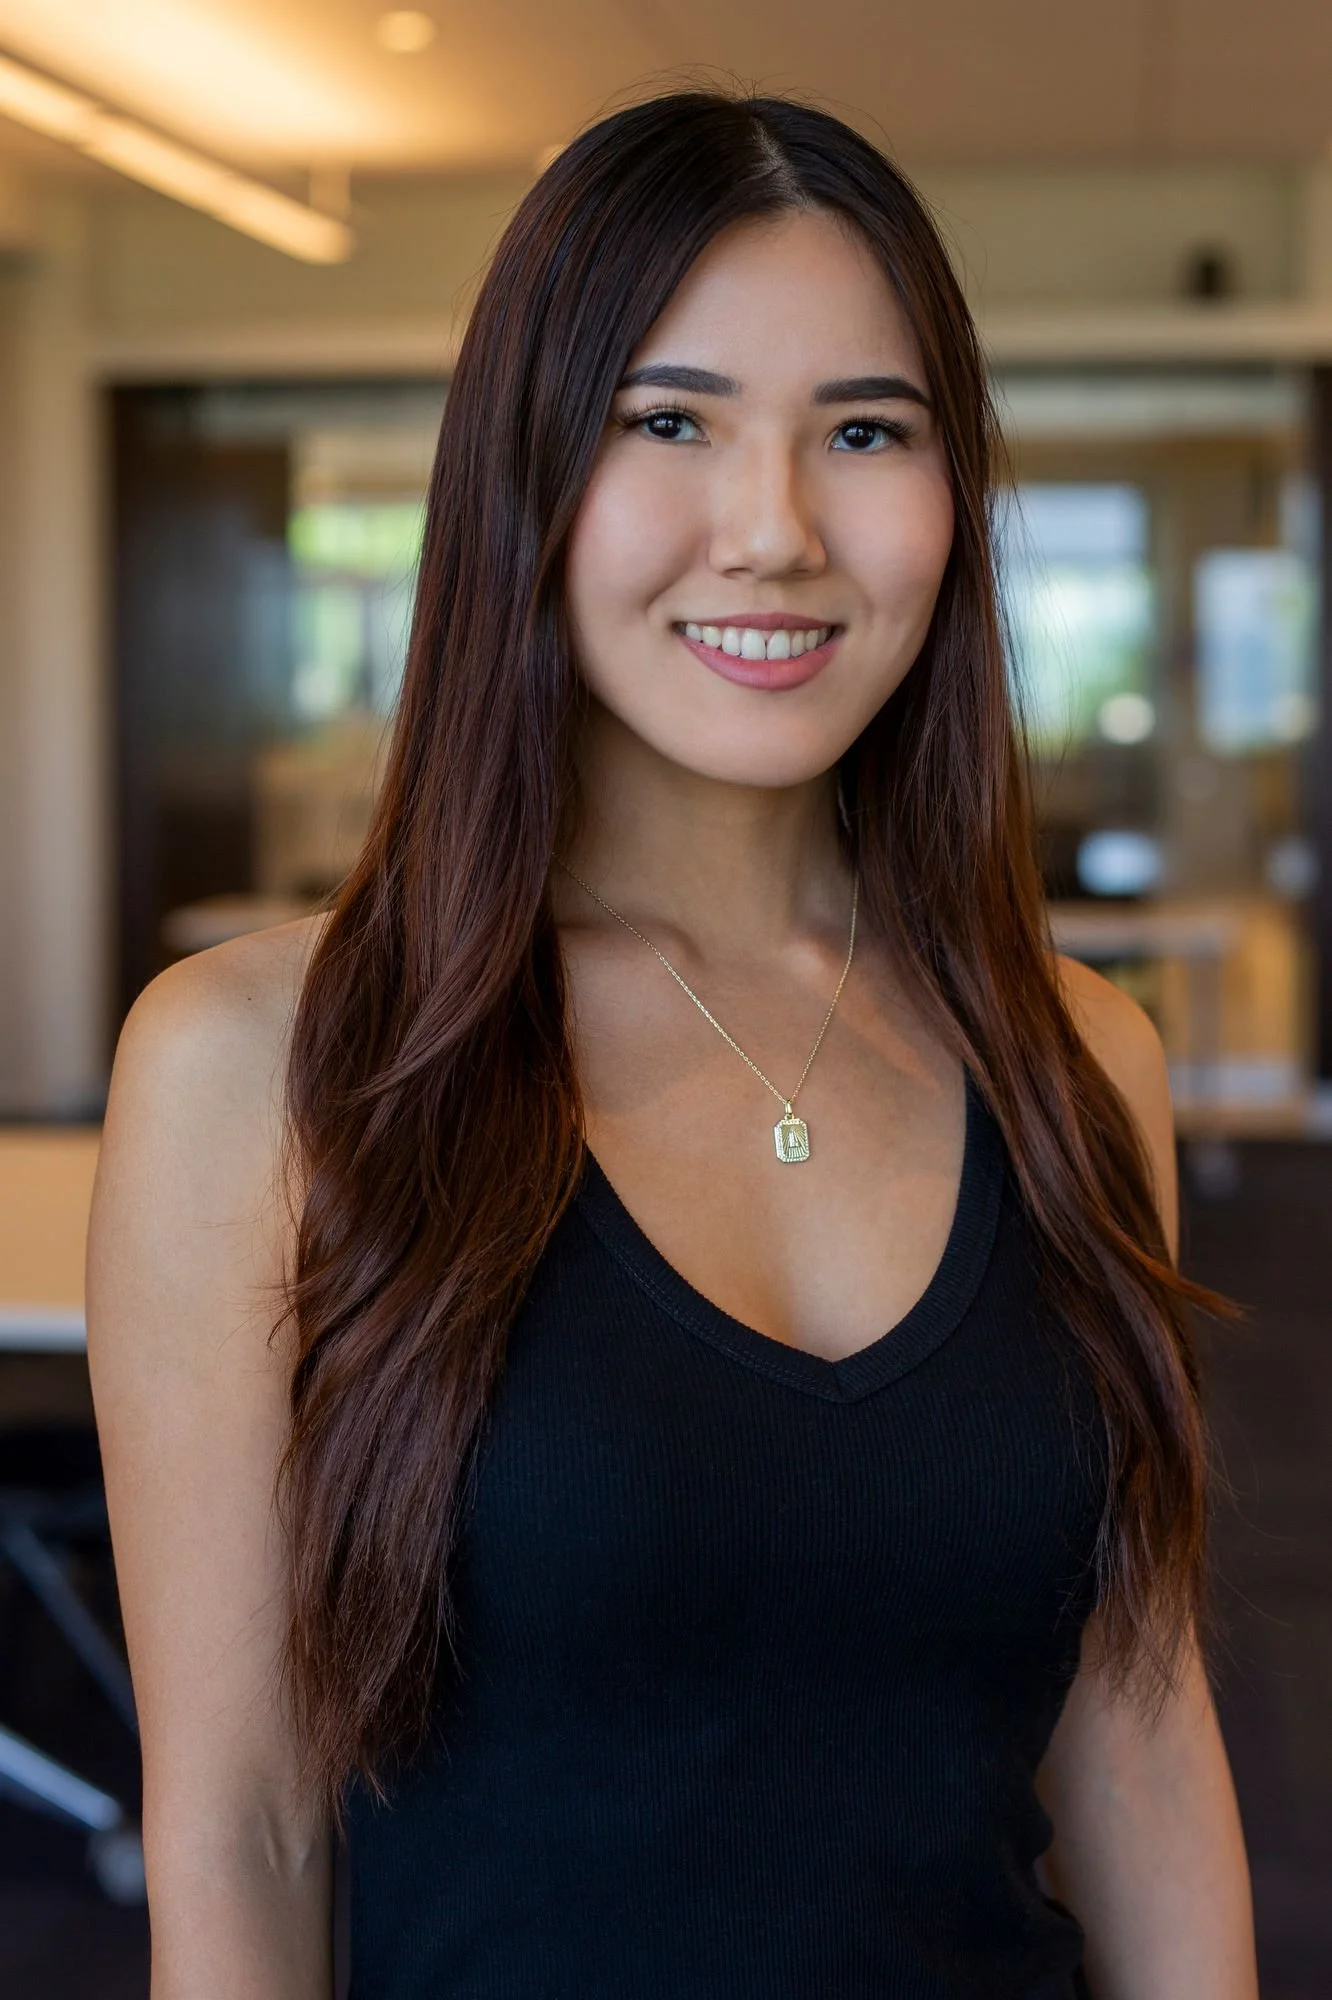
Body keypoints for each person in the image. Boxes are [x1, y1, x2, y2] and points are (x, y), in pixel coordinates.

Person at [87, 91, 1258, 2000]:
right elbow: (242, 1823)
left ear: (954, 499)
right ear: (523, 476)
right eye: (670, 421)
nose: (778, 530)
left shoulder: (1074, 1056)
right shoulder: (262, 1060)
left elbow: (1135, 1729)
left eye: (864, 431)